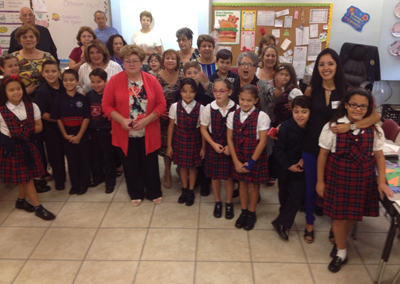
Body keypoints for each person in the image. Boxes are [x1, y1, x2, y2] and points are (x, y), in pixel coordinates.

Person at [302, 48, 380, 243]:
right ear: (317, 68)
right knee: (312, 186)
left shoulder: (347, 90)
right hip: (312, 147)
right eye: (321, 64)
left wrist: (351, 126)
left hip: (338, 149)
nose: (326, 68)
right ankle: (309, 223)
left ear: (337, 65)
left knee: (335, 190)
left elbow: (375, 116)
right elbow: (303, 115)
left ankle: (334, 228)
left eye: (330, 63)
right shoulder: (311, 89)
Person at [316, 87, 393, 273]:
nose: (358, 109)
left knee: (351, 215)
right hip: (338, 178)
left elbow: (379, 157)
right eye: (354, 105)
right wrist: (320, 181)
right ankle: (342, 251)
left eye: (363, 106)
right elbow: (323, 156)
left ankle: (339, 240)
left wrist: (381, 182)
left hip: (362, 180)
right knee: (338, 217)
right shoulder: (332, 127)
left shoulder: (374, 129)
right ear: (346, 105)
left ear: (369, 108)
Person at [102, 45, 166, 207]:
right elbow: (106, 106)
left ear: (141, 62)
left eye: (135, 61)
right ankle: (135, 192)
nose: (131, 64)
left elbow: (161, 105)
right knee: (130, 164)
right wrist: (122, 120)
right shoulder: (114, 81)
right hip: (125, 132)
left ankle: (153, 192)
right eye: (128, 61)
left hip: (148, 130)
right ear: (122, 62)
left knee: (150, 164)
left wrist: (147, 120)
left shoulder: (151, 80)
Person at [0, 75, 55, 220]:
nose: (16, 92)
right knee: (27, 178)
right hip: (13, 149)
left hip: (29, 146)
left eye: (18, 88)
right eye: (11, 90)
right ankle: (38, 207)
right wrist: (26, 130)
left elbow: (39, 127)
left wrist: (20, 131)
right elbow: (11, 134)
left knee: (25, 176)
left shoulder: (32, 106)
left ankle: (20, 200)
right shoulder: (1, 110)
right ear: (4, 92)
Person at [227, 84, 270, 231]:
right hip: (238, 156)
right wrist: (236, 161)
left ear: (256, 100)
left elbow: (263, 141)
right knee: (242, 185)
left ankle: (252, 213)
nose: (245, 103)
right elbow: (229, 139)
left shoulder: (262, 117)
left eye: (249, 100)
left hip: (254, 157)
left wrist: (251, 162)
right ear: (238, 98)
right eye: (242, 99)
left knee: (253, 186)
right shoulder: (232, 115)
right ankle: (244, 211)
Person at [271, 96, 310, 241]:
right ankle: (281, 220)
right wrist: (288, 166)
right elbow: (278, 150)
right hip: (284, 168)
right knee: (284, 195)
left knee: (296, 196)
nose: (300, 115)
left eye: (304, 112)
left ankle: (283, 223)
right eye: (296, 111)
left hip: (300, 168)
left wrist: (303, 160)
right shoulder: (285, 128)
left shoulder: (311, 128)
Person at [200, 78, 237, 219]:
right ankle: (218, 202)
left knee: (228, 177)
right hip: (214, 147)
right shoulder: (209, 108)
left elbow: (237, 132)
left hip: (229, 148)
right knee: (215, 177)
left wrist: (230, 146)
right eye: (215, 91)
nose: (218, 94)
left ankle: (228, 203)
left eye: (222, 91)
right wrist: (213, 144)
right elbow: (203, 129)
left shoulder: (236, 108)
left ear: (230, 92)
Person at [51, 69, 91, 195]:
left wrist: (79, 135)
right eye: (66, 80)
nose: (69, 82)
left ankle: (84, 184)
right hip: (67, 134)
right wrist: (64, 134)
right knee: (71, 160)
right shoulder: (59, 99)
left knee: (83, 159)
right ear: (62, 82)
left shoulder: (83, 99)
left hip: (81, 133)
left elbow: (86, 118)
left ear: (77, 81)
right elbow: (58, 118)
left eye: (72, 80)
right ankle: (75, 184)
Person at [167, 78, 205, 206]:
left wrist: (203, 148)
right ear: (180, 91)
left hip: (194, 141)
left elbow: (203, 130)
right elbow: (171, 127)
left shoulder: (201, 108)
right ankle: (184, 188)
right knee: (182, 166)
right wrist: (169, 146)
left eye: (191, 91)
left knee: (193, 167)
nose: (188, 94)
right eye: (184, 91)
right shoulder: (174, 107)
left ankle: (191, 190)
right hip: (180, 140)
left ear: (195, 92)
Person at [33, 60, 66, 191]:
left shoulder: (65, 86)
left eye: (54, 71)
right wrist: (60, 120)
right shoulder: (41, 92)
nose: (51, 74)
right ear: (42, 73)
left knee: (71, 153)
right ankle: (60, 180)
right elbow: (42, 114)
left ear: (59, 72)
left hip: (69, 126)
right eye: (47, 71)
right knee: (55, 155)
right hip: (51, 129)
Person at [156, 49, 182, 188]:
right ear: (163, 61)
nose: (170, 60)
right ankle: (167, 173)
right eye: (167, 58)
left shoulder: (182, 76)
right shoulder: (155, 77)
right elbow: (152, 98)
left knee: (179, 145)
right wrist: (160, 113)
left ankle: (179, 168)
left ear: (177, 61)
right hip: (163, 118)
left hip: (180, 118)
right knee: (166, 146)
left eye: (173, 58)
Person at [87, 68, 116, 194]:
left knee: (108, 158)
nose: (96, 85)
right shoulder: (88, 96)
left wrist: (114, 128)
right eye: (93, 82)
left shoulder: (111, 95)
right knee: (95, 157)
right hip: (93, 130)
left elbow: (116, 113)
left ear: (105, 81)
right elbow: (87, 115)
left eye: (99, 82)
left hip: (107, 131)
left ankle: (110, 181)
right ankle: (98, 177)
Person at [11, 25, 55, 94]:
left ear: (36, 39)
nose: (28, 39)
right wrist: (24, 91)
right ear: (19, 40)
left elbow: (58, 77)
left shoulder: (48, 57)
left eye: (31, 37)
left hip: (46, 96)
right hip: (21, 98)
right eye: (24, 37)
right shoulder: (13, 57)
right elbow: (8, 81)